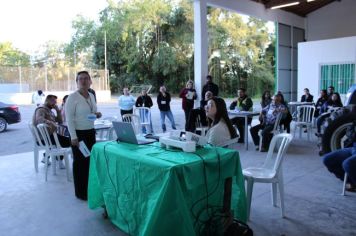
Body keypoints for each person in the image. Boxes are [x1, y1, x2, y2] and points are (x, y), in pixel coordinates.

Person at [65, 71, 102, 201]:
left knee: (89, 162)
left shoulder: (91, 95)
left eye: (86, 78)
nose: (84, 81)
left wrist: (96, 114)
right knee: (80, 163)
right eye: (80, 79)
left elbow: (89, 114)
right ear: (77, 82)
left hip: (90, 132)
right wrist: (73, 137)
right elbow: (69, 119)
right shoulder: (72, 98)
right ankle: (80, 193)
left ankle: (89, 189)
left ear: (90, 81)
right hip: (78, 135)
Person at [32, 94, 70, 168]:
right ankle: (59, 160)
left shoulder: (49, 110)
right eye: (52, 101)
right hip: (43, 138)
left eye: (55, 102)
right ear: (47, 100)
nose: (54, 104)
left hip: (48, 136)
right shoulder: (41, 109)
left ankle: (47, 156)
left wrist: (58, 111)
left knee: (64, 137)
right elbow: (39, 119)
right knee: (66, 140)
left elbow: (60, 121)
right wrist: (51, 123)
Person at [323, 121, 356, 192]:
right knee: (327, 159)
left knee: (347, 164)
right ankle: (351, 181)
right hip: (354, 148)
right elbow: (351, 134)